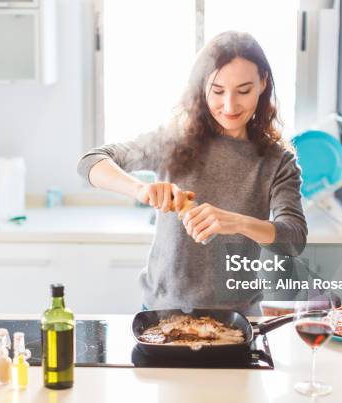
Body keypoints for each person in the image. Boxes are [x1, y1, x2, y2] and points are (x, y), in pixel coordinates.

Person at [77, 31, 307, 315]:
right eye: (218, 90)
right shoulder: (174, 142)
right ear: (201, 87)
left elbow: (294, 239)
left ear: (263, 83)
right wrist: (141, 190)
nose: (230, 105)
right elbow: (91, 162)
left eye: (244, 90)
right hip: (162, 311)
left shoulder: (277, 161)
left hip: (237, 316)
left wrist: (236, 222)